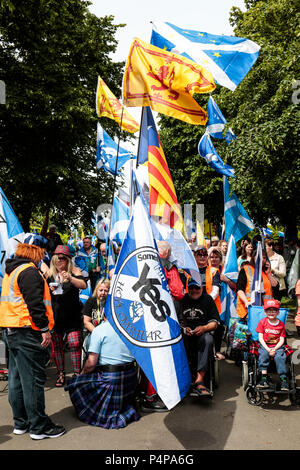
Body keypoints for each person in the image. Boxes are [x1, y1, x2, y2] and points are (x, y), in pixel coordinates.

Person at [0, 243, 66, 440]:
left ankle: (21, 423)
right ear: (34, 253)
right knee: (33, 381)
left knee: (16, 379)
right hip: (27, 332)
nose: (43, 258)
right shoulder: (29, 271)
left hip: (11, 331)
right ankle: (39, 427)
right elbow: (35, 305)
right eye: (42, 254)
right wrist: (45, 330)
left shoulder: (12, 272)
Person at [64, 316, 140, 429]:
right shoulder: (129, 330)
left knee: (75, 384)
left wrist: (82, 375)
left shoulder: (99, 331)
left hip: (111, 380)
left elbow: (91, 364)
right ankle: (125, 411)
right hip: (130, 378)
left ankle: (101, 412)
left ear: (104, 315)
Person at [140, 241, 185, 413]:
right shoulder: (169, 267)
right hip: (163, 316)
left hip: (145, 315)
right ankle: (154, 395)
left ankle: (146, 391)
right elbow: (179, 292)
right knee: (161, 354)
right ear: (167, 253)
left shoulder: (141, 263)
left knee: (147, 352)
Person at [46, 245, 86, 386]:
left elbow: (83, 285)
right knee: (57, 346)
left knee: (75, 343)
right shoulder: (50, 274)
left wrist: (70, 278)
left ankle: (76, 373)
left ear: (68, 260)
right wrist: (49, 289)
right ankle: (61, 374)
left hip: (72, 315)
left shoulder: (74, 271)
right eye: (56, 258)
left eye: (62, 258)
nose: (59, 261)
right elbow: (44, 293)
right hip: (56, 316)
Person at [180, 278, 219, 396]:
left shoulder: (207, 299)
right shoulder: (182, 299)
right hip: (185, 336)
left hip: (202, 335)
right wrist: (184, 329)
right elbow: (176, 321)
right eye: (191, 287)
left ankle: (199, 380)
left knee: (208, 339)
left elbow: (215, 323)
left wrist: (204, 328)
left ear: (202, 288)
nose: (194, 290)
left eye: (197, 288)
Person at [256, 299, 288, 391]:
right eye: (269, 310)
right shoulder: (263, 322)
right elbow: (260, 338)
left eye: (274, 310)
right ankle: (264, 379)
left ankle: (283, 381)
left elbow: (282, 339)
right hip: (265, 345)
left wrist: (274, 348)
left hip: (277, 346)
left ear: (278, 312)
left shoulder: (281, 325)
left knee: (280, 357)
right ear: (265, 312)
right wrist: (268, 349)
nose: (271, 312)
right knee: (263, 355)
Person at [236, 248, 277, 320]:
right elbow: (239, 289)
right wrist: (246, 301)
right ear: (254, 257)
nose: (262, 259)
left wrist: (268, 274)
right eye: (260, 256)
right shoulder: (246, 269)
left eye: (264, 257)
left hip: (265, 311)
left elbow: (275, 285)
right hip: (248, 309)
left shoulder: (265, 272)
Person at [82, 278, 110, 353]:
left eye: (106, 291)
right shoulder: (91, 301)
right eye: (101, 290)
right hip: (93, 333)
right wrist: (98, 334)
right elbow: (86, 322)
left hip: (109, 335)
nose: (103, 293)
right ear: (96, 290)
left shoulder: (111, 303)